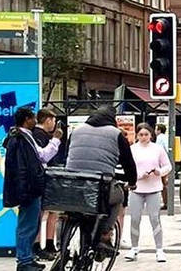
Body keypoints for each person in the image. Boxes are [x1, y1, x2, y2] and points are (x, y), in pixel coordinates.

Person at [65, 106, 138, 255]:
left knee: (74, 212)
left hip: (73, 185)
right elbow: (128, 163)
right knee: (118, 197)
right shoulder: (116, 134)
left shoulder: (76, 131)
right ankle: (104, 235)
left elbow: (68, 154)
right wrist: (132, 182)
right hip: (100, 186)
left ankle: (63, 244)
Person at [3, 106, 63, 271]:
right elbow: (42, 156)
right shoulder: (23, 138)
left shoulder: (21, 137)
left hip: (27, 188)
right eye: (33, 118)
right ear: (26, 120)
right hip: (29, 188)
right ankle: (24, 261)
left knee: (31, 224)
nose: (35, 121)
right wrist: (56, 139)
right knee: (27, 225)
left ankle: (27, 258)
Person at [126, 124, 172, 261]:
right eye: (141, 135)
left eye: (146, 134)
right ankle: (134, 248)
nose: (144, 137)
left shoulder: (157, 149)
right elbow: (128, 168)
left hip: (153, 188)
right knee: (134, 219)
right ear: (137, 135)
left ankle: (159, 249)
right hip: (137, 188)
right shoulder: (132, 149)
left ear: (151, 135)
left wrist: (159, 172)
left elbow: (167, 165)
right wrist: (139, 175)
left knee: (155, 218)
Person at [31, 108, 63, 260]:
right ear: (48, 120)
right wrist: (56, 139)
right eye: (54, 121)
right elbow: (44, 156)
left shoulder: (41, 135)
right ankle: (38, 245)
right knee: (43, 212)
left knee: (52, 211)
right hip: (45, 177)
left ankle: (49, 243)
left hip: (49, 177)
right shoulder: (38, 135)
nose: (55, 124)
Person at [155, 123, 170, 210]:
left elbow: (159, 151)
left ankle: (166, 202)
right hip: (166, 163)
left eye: (156, 129)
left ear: (159, 130)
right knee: (164, 183)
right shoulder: (166, 137)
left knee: (163, 184)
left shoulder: (160, 138)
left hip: (161, 164)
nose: (155, 131)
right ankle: (166, 202)